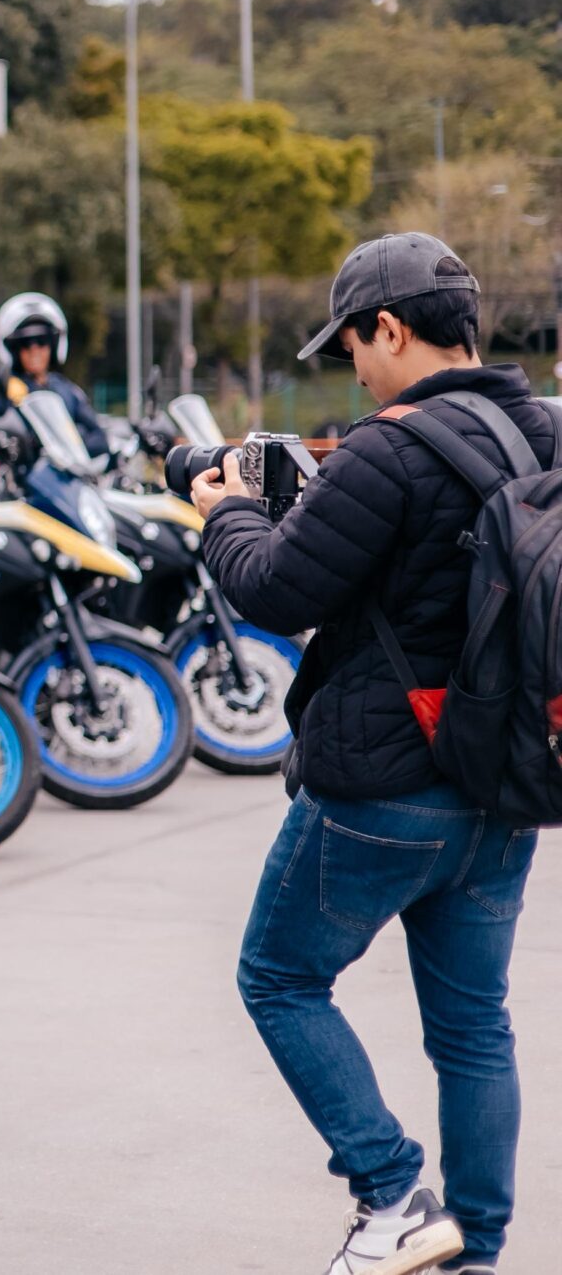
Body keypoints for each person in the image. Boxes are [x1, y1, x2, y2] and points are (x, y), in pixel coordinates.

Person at [195, 233, 557, 1275]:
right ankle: (473, 1251)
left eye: (352, 345)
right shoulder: (542, 432)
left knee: (278, 977)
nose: (352, 369)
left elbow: (274, 589)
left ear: (390, 329)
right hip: (504, 782)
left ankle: (393, 1194)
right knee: (473, 1027)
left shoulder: (384, 452)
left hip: (382, 786)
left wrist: (226, 513)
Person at [0, 291, 108, 457]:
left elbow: (99, 437)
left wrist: (74, 445)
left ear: (53, 345)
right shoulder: (4, 388)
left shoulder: (67, 390)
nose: (35, 351)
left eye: (42, 342)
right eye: (25, 344)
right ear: (14, 349)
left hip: (68, 478)